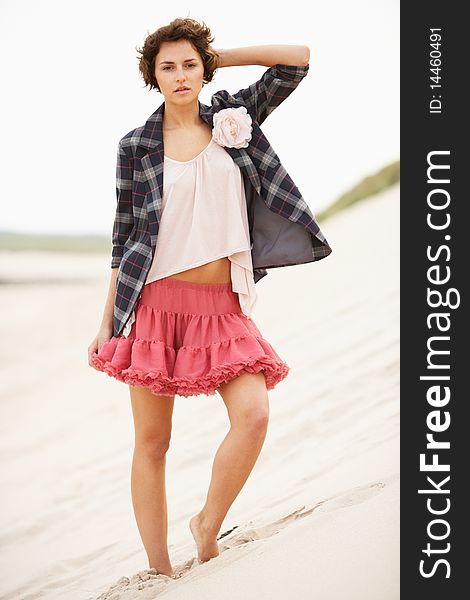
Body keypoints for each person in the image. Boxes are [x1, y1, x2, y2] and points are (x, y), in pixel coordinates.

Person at [87, 17, 332, 578]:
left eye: (190, 64)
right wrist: (108, 322)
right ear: (152, 75)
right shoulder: (137, 147)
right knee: (153, 442)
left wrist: (220, 56)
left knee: (253, 415)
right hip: (152, 306)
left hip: (222, 307)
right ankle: (159, 568)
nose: (180, 76)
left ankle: (206, 524)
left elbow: (298, 58)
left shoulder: (233, 117)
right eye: (167, 66)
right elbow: (123, 238)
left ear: (204, 68)